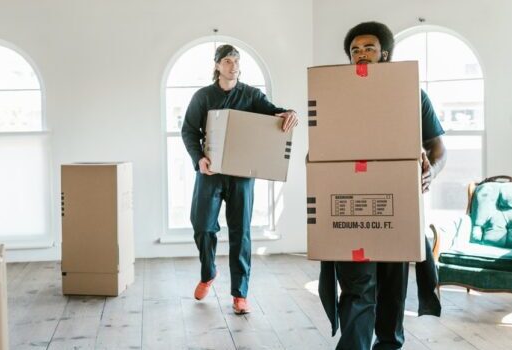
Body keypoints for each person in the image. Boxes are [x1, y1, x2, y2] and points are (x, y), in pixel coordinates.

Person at [318, 21, 447, 350]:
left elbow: (438, 149)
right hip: (349, 207)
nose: (360, 54)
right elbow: (320, 147)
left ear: (384, 54)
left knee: (391, 292)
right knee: (357, 290)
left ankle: (389, 344)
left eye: (368, 48)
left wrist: (431, 170)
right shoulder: (334, 94)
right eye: (354, 50)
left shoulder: (412, 92)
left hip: (396, 207)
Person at [181, 44, 299, 314]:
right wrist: (199, 159)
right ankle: (208, 273)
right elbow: (188, 131)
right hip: (210, 172)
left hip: (242, 176)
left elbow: (274, 113)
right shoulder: (203, 97)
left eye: (236, 60)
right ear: (216, 66)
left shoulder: (252, 95)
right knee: (202, 225)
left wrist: (289, 112)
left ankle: (240, 294)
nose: (233, 65)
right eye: (226, 61)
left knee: (240, 233)